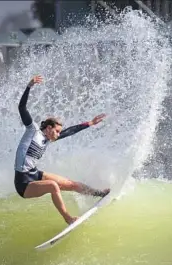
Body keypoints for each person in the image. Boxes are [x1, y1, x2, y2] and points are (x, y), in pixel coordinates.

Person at [14, 75, 110, 225]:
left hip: (34, 174)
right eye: (57, 131)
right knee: (53, 185)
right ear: (49, 128)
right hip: (23, 183)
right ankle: (68, 218)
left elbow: (70, 131)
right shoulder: (32, 130)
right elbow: (22, 108)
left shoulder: (48, 139)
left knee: (71, 184)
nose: (59, 134)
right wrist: (29, 86)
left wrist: (90, 123)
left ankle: (99, 193)